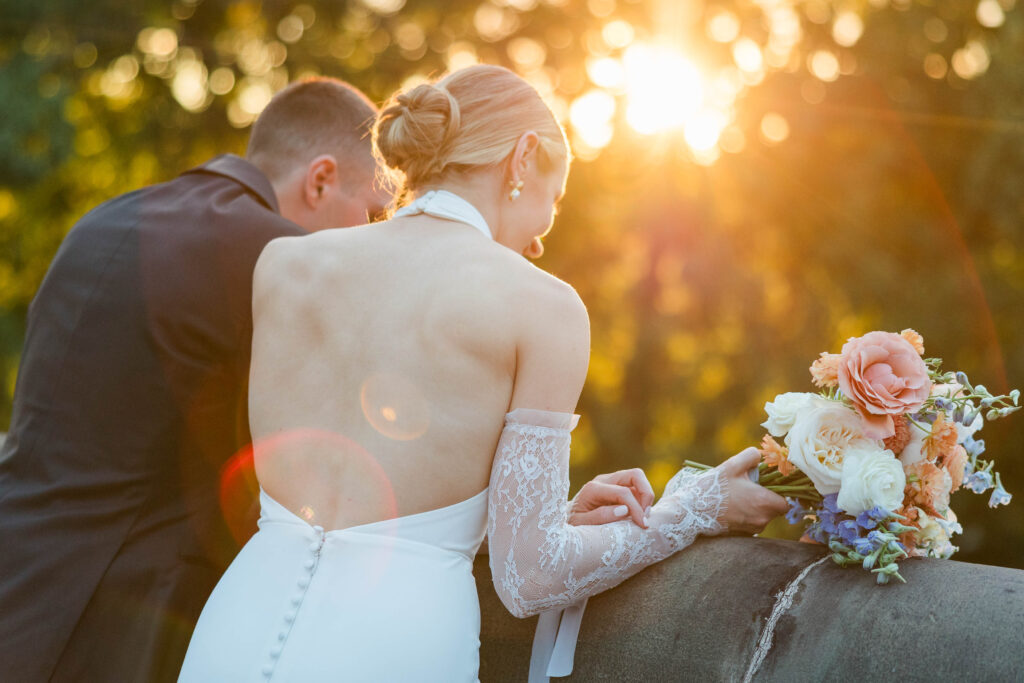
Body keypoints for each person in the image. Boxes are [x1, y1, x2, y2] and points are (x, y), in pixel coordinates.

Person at [179, 64, 788, 681]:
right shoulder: (542, 306)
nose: (539, 244)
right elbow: (533, 576)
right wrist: (696, 508)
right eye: (551, 206)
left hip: (236, 625)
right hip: (395, 648)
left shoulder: (284, 264)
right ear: (522, 158)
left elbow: (371, 492)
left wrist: (549, 514)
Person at [0, 78, 389, 682]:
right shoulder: (279, 259)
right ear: (320, 179)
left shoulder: (107, 217)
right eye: (372, 210)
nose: (371, 232)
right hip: (118, 627)